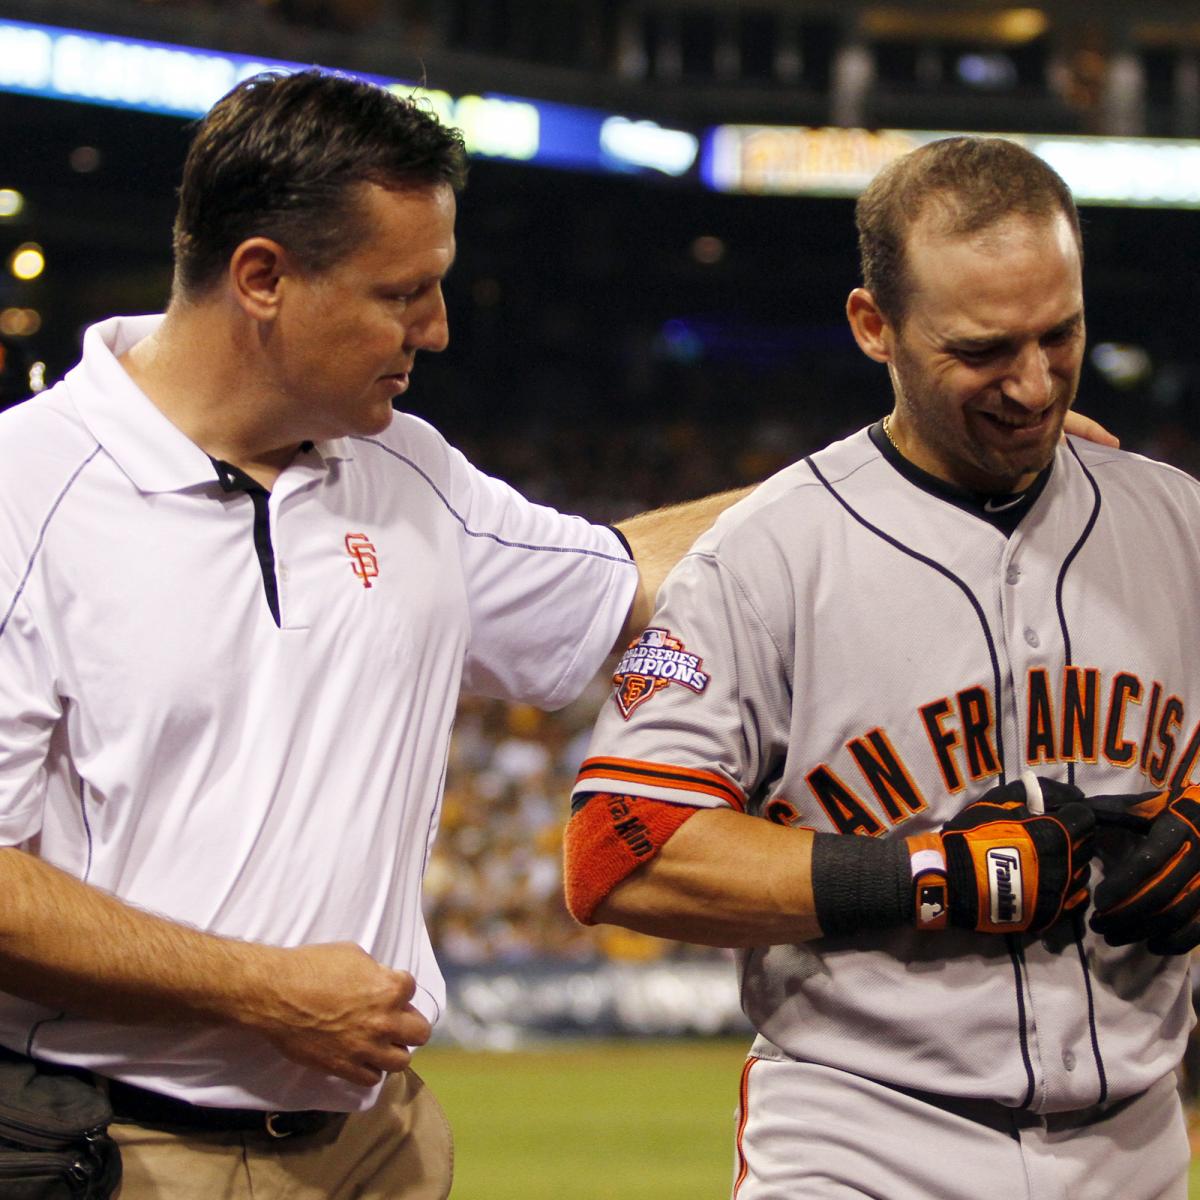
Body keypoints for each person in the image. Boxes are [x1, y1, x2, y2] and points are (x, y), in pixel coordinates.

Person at [0, 69, 751, 1199]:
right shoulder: (27, 495)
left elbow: (626, 577)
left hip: (375, 1143)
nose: (436, 329)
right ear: (263, 278)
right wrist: (259, 990)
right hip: (126, 1151)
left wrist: (894, 471)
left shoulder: (406, 471)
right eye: (402, 292)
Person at [565, 135, 1199, 1200]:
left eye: (1062, 334)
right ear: (876, 327)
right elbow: (621, 850)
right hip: (865, 1144)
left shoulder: (1175, 523)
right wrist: (921, 878)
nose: (1035, 384)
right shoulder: (765, 555)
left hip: (1131, 1144)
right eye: (985, 350)